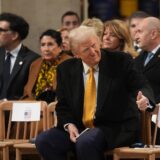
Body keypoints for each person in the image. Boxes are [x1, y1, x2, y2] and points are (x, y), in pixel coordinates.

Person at [35, 26, 155, 160]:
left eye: (94, 45)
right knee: (44, 141)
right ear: (76, 54)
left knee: (87, 141)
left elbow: (142, 85)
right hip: (80, 128)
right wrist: (69, 125)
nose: (93, 52)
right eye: (86, 49)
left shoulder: (120, 61)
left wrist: (145, 98)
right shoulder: (65, 69)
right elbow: (63, 105)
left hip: (114, 127)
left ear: (99, 42)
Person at [22, 29, 72, 103]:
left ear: (60, 47)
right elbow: (27, 92)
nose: (46, 49)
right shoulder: (35, 64)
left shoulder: (69, 63)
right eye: (43, 45)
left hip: (59, 108)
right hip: (35, 108)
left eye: (50, 44)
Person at [0, 12, 39, 100]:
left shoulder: (33, 60)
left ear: (14, 35)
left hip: (18, 110)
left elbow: (30, 94)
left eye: (1, 30)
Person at [134, 17, 160, 144]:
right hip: (140, 117)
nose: (135, 35)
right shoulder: (138, 58)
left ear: (153, 34)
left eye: (140, 31)